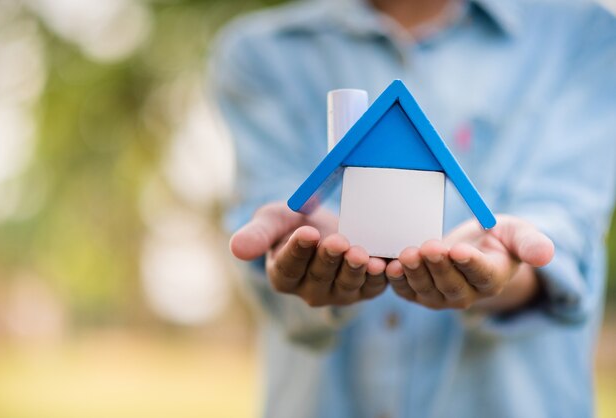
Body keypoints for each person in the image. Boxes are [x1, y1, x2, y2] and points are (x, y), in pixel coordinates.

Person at [209, 0, 616, 417]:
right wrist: (287, 247)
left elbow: (565, 225)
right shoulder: (261, 51)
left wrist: (511, 266)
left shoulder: (586, 34)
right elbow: (269, 227)